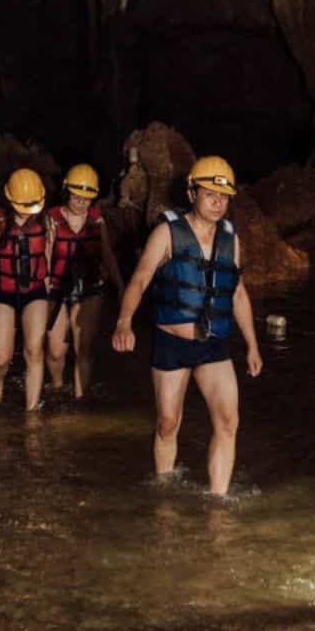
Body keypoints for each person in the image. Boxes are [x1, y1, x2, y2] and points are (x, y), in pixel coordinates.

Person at [112, 156, 262, 496]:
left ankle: (218, 501)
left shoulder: (230, 238)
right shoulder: (167, 232)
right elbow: (140, 279)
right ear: (192, 192)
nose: (217, 202)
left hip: (212, 345)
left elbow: (237, 292)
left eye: (223, 196)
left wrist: (252, 344)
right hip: (172, 344)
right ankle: (164, 493)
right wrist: (124, 322)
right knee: (168, 423)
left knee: (228, 422)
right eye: (210, 193)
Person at [43, 164, 124, 399]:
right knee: (57, 349)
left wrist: (120, 286)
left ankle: (80, 399)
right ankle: (57, 389)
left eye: (87, 198)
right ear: (67, 191)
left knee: (83, 348)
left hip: (89, 287)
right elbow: (46, 253)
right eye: (77, 197)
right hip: (57, 286)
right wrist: (44, 281)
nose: (82, 203)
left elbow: (107, 255)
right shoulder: (52, 219)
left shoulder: (97, 222)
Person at [0, 168, 53, 410]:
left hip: (35, 292)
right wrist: (0, 276)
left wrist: (47, 276)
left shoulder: (45, 219)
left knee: (34, 350)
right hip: (4, 293)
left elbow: (47, 250)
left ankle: (32, 411)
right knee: (1, 357)